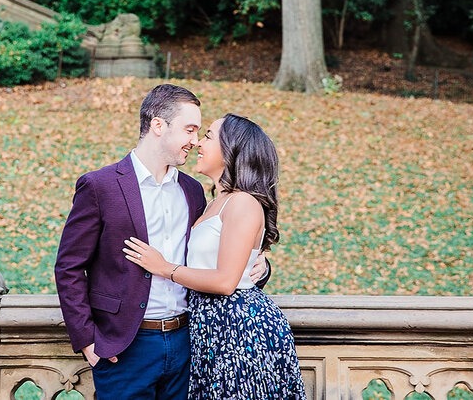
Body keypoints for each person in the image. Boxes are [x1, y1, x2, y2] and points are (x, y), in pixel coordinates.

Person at [54, 85, 269, 400]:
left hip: (188, 344)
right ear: (158, 125)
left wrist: (259, 267)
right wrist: (87, 341)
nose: (195, 141)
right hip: (127, 347)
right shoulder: (100, 186)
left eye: (199, 132)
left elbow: (218, 253)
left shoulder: (193, 191)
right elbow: (69, 267)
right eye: (190, 129)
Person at [124, 113, 306, 400]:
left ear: (231, 150)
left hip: (240, 329)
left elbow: (225, 282)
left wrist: (164, 268)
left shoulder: (243, 202)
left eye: (208, 136)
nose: (198, 143)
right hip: (211, 329)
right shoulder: (212, 201)